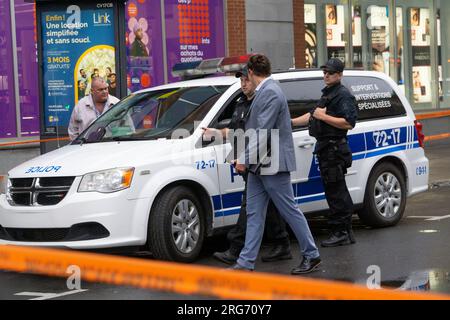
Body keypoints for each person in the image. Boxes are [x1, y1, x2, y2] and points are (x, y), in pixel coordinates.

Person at [231, 54, 321, 274]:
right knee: (254, 213)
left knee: (289, 210)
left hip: (273, 163)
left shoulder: (271, 92)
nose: (245, 80)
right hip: (260, 165)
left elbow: (263, 133)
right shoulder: (265, 91)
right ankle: (245, 262)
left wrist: (243, 158)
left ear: (251, 72)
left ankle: (312, 255)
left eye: (246, 75)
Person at [202, 67, 292, 265]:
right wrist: (215, 134)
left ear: (254, 78)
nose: (243, 84)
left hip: (263, 160)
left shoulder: (263, 101)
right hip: (247, 159)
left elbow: (261, 135)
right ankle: (281, 243)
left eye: (246, 80)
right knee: (267, 206)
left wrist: (244, 159)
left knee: (251, 206)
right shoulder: (241, 103)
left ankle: (237, 249)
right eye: (241, 81)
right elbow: (236, 132)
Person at [291, 58, 357, 247]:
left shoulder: (343, 95)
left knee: (337, 192)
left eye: (330, 72)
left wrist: (324, 116)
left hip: (334, 149)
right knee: (333, 190)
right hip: (326, 148)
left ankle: (341, 231)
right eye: (325, 72)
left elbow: (348, 122)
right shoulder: (328, 93)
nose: (326, 75)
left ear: (340, 74)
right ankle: (345, 231)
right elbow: (313, 115)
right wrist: (291, 122)